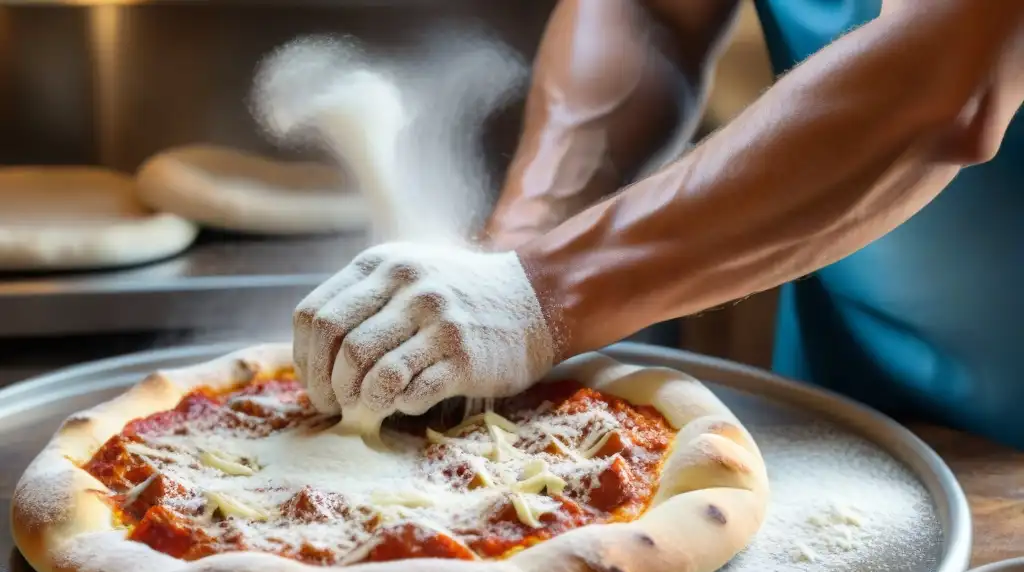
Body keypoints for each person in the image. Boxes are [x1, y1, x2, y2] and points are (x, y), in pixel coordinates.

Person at [293, 0, 1024, 448]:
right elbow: (654, 10)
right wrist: (524, 241)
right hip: (847, 387)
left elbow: (949, 81)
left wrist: (544, 291)